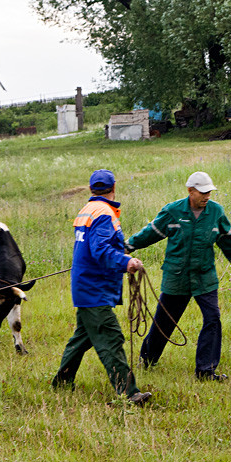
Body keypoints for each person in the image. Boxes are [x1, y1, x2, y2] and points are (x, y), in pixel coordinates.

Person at [126, 171, 231, 381]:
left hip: (204, 277)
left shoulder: (216, 212)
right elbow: (150, 233)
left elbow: (228, 240)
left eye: (209, 192)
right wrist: (126, 248)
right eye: (202, 192)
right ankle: (147, 360)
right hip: (177, 277)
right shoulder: (173, 212)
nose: (207, 196)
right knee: (165, 321)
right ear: (190, 191)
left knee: (213, 318)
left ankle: (205, 370)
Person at [52, 169, 152, 406]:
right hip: (94, 289)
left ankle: (62, 383)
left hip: (86, 285)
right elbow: (101, 251)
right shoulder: (105, 214)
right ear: (114, 187)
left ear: (90, 189)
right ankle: (128, 393)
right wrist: (126, 261)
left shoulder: (87, 210)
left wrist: (119, 254)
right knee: (110, 337)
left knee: (83, 337)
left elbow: (93, 247)